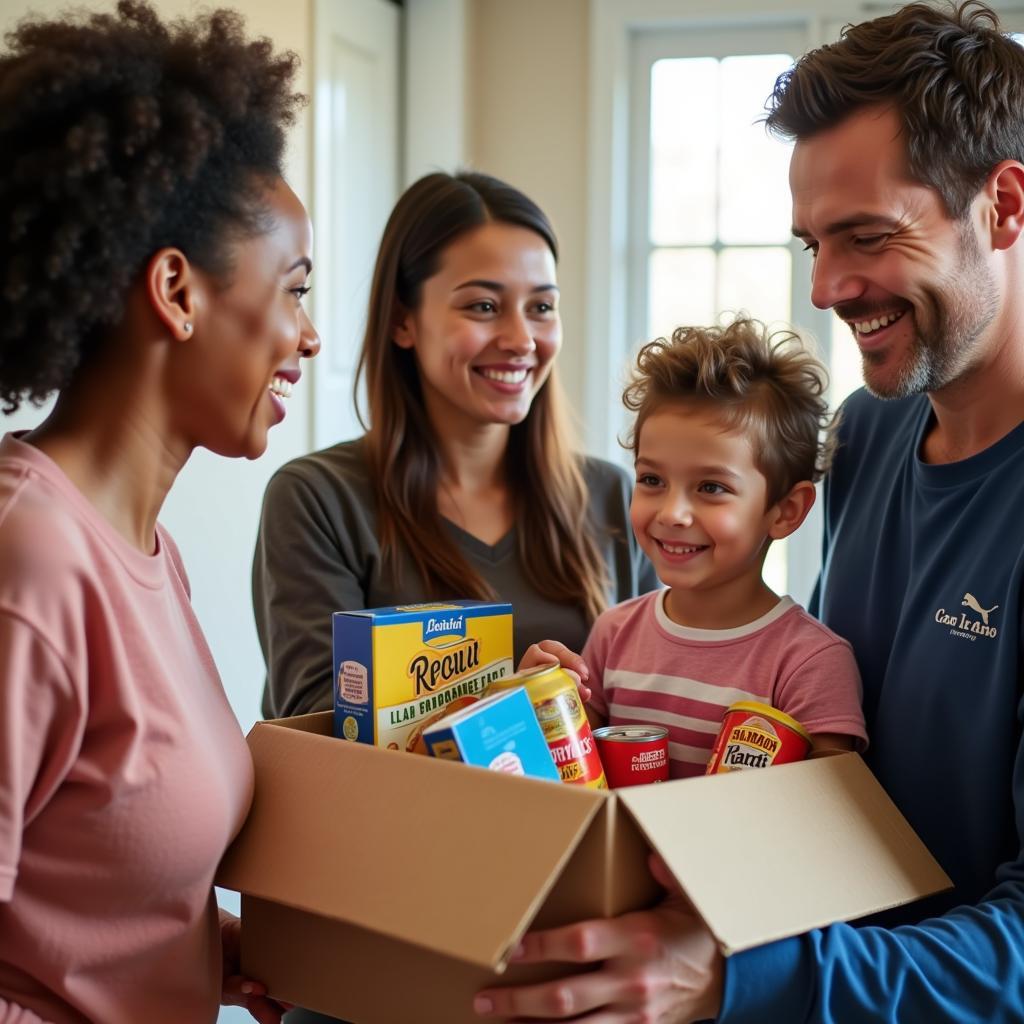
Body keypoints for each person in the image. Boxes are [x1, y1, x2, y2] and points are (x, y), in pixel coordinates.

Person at [474, 2, 1024, 1020]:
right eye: (811, 242)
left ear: (1002, 204)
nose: (825, 287)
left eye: (865, 237)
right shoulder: (867, 431)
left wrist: (741, 978)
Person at [0, 3, 320, 1021]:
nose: (307, 337)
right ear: (178, 291)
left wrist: (187, 942)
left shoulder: (151, 556)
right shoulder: (31, 565)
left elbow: (81, 872)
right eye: (294, 289)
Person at [254, 171, 658, 722]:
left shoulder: (613, 496)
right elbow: (323, 723)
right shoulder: (318, 500)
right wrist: (511, 697)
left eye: (541, 307)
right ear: (403, 320)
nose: (520, 340)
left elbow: (655, 697)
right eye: (484, 307)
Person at [526, 316, 866, 776]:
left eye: (710, 487)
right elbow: (575, 779)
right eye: (651, 480)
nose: (671, 513)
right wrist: (543, 701)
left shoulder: (810, 662)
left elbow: (827, 814)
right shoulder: (613, 634)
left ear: (785, 511)